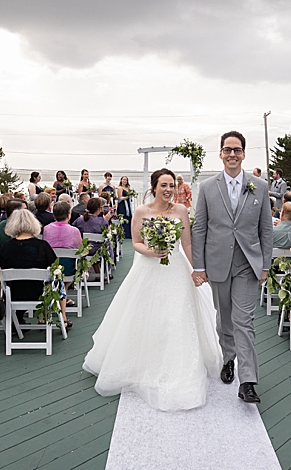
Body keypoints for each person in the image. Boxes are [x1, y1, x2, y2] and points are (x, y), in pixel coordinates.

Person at [85, 168, 221, 411]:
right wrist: (150, 251)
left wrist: (196, 269)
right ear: (154, 187)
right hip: (149, 268)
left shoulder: (181, 210)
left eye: (172, 185)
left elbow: (187, 242)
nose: (168, 190)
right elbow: (136, 242)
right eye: (164, 185)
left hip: (176, 268)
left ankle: (178, 366)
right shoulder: (142, 211)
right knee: (146, 313)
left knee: (176, 316)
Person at [192, 131, 273, 404]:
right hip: (217, 263)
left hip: (248, 264)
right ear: (220, 153)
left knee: (244, 320)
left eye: (237, 150)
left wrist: (265, 265)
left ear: (244, 154)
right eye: (227, 150)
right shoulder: (207, 187)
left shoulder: (260, 187)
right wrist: (199, 266)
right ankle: (228, 358)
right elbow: (200, 228)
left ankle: (247, 380)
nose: (232, 154)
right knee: (224, 318)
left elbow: (266, 230)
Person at [0, 207, 69, 328]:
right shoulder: (42, 246)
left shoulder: (5, 248)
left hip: (14, 294)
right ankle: (62, 316)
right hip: (41, 293)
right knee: (58, 278)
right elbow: (55, 267)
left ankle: (19, 319)